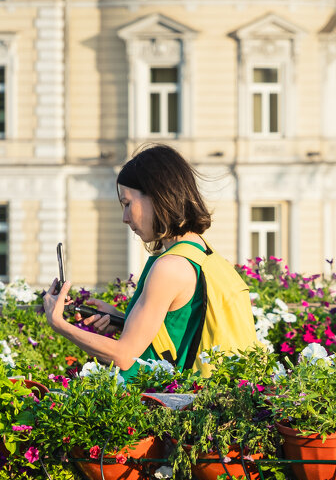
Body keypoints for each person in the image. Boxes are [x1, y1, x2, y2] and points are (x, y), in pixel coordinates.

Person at [42, 144, 217, 380]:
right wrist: (123, 320)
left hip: (151, 400)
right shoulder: (199, 252)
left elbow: (124, 356)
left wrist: (59, 324)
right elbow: (178, 330)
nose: (125, 218)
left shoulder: (170, 266)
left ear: (157, 196)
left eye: (127, 204)